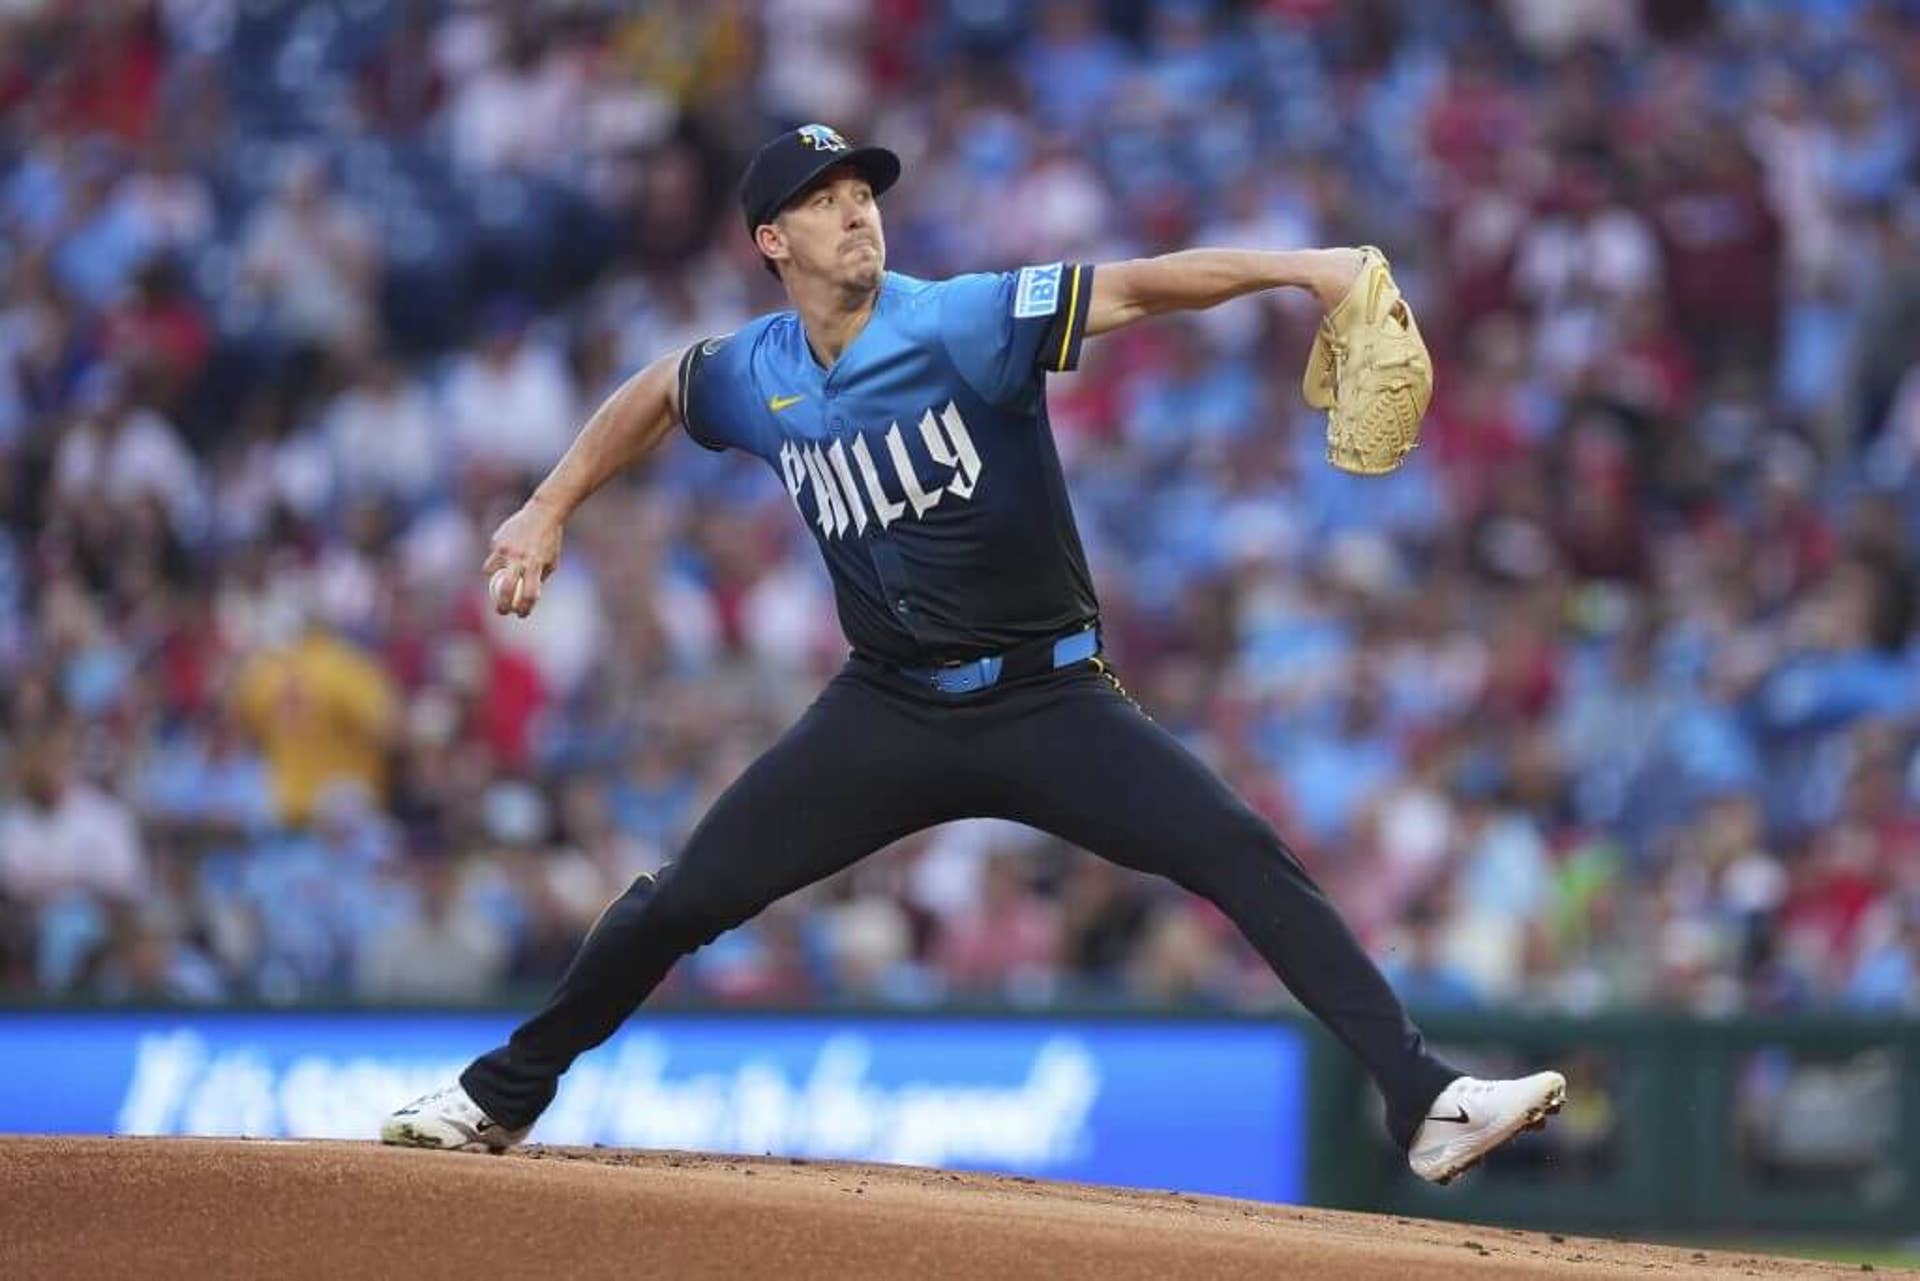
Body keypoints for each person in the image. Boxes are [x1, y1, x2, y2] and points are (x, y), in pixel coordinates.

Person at [384, 124, 1565, 1184]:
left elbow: (1144, 291)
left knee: (1239, 850)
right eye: (824, 197)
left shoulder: (958, 319)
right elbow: (659, 390)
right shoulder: (761, 371)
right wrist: (549, 506)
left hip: (1048, 697)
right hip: (888, 710)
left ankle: (1427, 1098)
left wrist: (1312, 269)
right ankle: (499, 1098)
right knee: (677, 900)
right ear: (769, 240)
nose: (857, 210)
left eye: (864, 190)